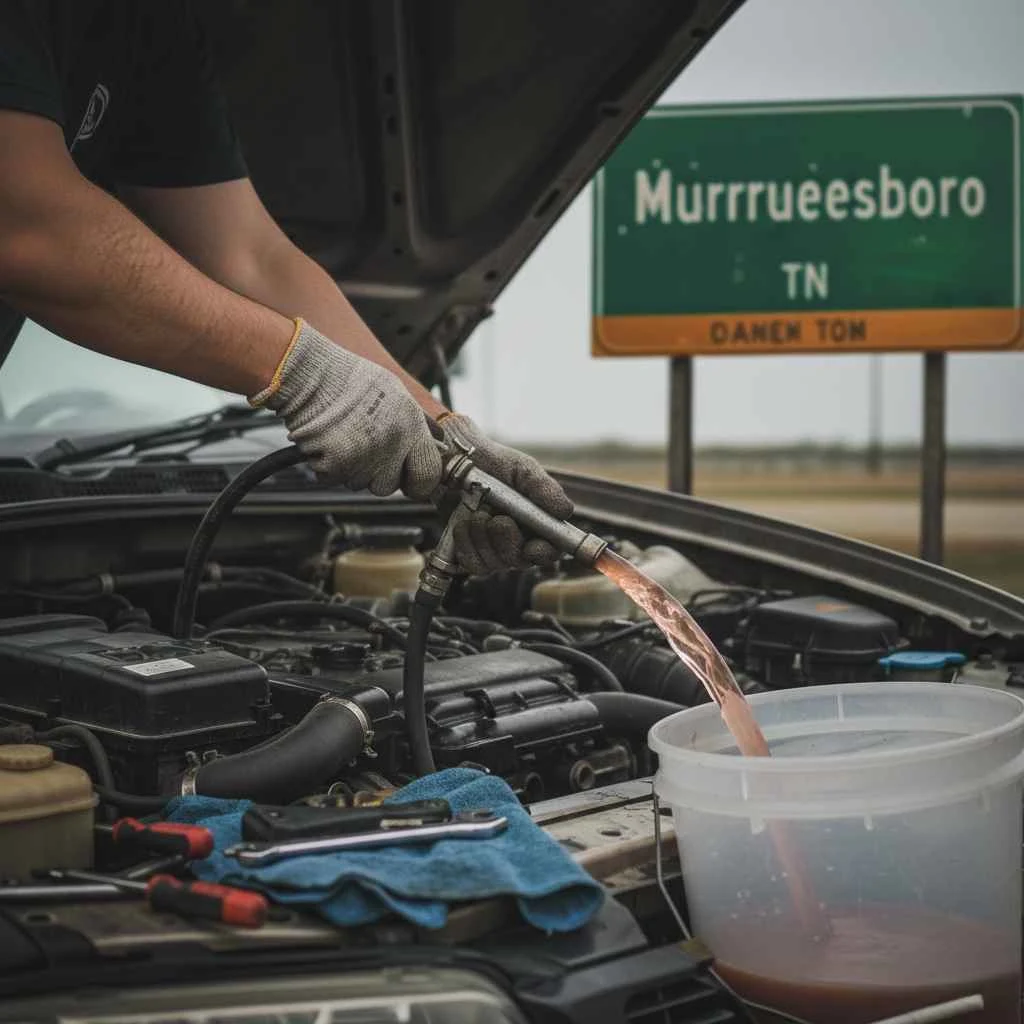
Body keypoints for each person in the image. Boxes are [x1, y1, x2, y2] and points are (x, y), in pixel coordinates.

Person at [0, 2, 572, 575]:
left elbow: (249, 256)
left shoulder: (151, 25)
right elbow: (28, 224)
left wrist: (447, 436)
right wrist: (303, 373)